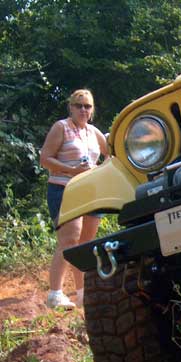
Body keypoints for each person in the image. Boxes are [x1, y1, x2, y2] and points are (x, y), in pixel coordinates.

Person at [40, 89, 108, 309]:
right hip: (64, 189)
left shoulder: (94, 132)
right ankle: (55, 294)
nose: (83, 110)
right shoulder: (61, 127)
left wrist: (102, 171)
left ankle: (82, 293)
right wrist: (71, 170)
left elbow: (111, 154)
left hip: (89, 192)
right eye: (78, 105)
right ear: (70, 107)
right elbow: (45, 159)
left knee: (85, 244)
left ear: (92, 110)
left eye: (87, 106)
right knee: (69, 241)